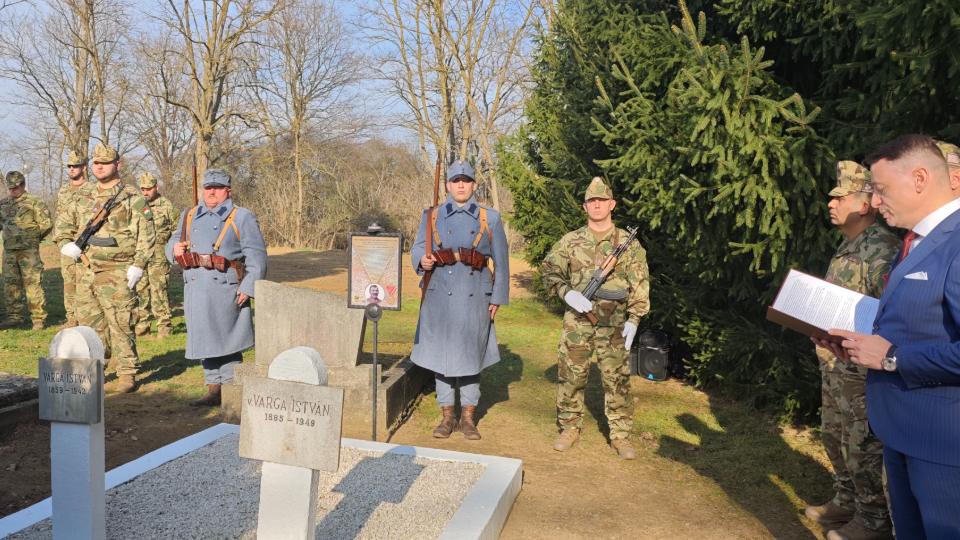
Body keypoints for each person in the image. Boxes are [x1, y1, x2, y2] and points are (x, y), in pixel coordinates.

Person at [817, 134, 960, 537]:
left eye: (880, 190)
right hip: (901, 436)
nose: (874, 202)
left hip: (942, 447)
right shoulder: (916, 243)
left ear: (919, 178)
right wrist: (857, 347)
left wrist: (892, 357)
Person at [804, 162, 898, 540]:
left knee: (863, 447)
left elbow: (887, 315)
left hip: (861, 373)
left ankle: (873, 521)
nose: (831, 203)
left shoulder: (882, 249)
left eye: (840, 197)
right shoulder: (848, 246)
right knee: (835, 437)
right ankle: (845, 499)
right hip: (836, 367)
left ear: (865, 204)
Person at [540, 176, 650, 460]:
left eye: (602, 200)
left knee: (617, 379)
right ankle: (569, 427)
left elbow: (640, 283)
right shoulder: (570, 241)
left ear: (611, 204)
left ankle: (621, 435)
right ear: (584, 206)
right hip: (578, 322)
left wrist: (634, 320)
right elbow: (549, 271)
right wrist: (567, 293)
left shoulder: (628, 244)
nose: (597, 205)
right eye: (592, 201)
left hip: (614, 324)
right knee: (571, 376)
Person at [411, 160, 509, 440]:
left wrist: (498, 297)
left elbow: (501, 261)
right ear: (448, 186)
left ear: (474, 185)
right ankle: (447, 416)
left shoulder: (490, 218)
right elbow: (418, 246)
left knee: (470, 355)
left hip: (475, 294)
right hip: (439, 294)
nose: (461, 185)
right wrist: (423, 259)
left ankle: (468, 418)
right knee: (440, 356)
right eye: (456, 181)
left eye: (466, 180)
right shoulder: (432, 215)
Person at [59, 142, 155, 393]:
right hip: (86, 269)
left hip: (117, 270)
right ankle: (96, 366)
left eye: (105, 162)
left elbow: (147, 234)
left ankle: (126, 372)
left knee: (120, 322)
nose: (99, 166)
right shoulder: (83, 195)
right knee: (90, 324)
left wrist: (139, 265)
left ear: (117, 165)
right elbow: (64, 224)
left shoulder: (131, 197)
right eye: (96, 162)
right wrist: (66, 244)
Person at [167, 169, 267, 407]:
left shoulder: (241, 216)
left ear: (227, 191)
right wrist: (174, 249)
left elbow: (257, 256)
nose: (211, 192)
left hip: (225, 287)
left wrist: (249, 286)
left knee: (227, 340)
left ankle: (231, 390)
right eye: (207, 188)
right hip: (195, 286)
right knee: (204, 339)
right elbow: (173, 240)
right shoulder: (189, 214)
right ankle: (213, 388)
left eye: (217, 188)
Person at [0, 170, 53, 330]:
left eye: (16, 187)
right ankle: (14, 317)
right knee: (10, 284)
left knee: (32, 284)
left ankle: (37, 319)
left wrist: (32, 238)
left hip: (28, 252)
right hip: (9, 251)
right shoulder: (3, 204)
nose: (13, 191)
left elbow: (46, 224)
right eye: (10, 188)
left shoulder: (35, 202)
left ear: (23, 185)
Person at [135, 172, 177, 338]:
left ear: (156, 187)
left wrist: (172, 248)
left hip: (159, 256)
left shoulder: (167, 205)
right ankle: (142, 327)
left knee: (159, 291)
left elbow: (177, 230)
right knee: (140, 291)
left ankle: (164, 327)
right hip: (140, 255)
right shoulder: (137, 205)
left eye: (148, 189)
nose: (145, 192)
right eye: (143, 189)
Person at [54, 151, 89, 328]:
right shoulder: (63, 191)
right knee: (69, 282)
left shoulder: (91, 190)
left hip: (86, 243)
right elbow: (60, 217)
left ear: (83, 167)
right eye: (69, 166)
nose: (72, 169)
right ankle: (71, 318)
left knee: (85, 282)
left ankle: (86, 317)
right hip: (67, 243)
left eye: (75, 166)